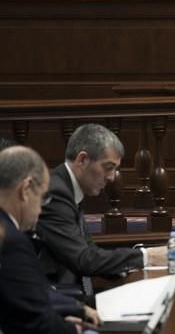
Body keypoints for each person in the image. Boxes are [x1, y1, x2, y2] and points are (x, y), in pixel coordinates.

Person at [36, 123, 167, 288]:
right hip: (57, 300)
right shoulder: (56, 192)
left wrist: (130, 266)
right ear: (82, 159)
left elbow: (88, 250)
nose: (112, 177)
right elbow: (83, 259)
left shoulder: (71, 187)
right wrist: (147, 256)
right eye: (108, 167)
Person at [0, 145, 97, 334]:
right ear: (26, 189)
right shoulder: (11, 240)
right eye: (42, 198)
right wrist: (73, 328)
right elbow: (35, 322)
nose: (41, 210)